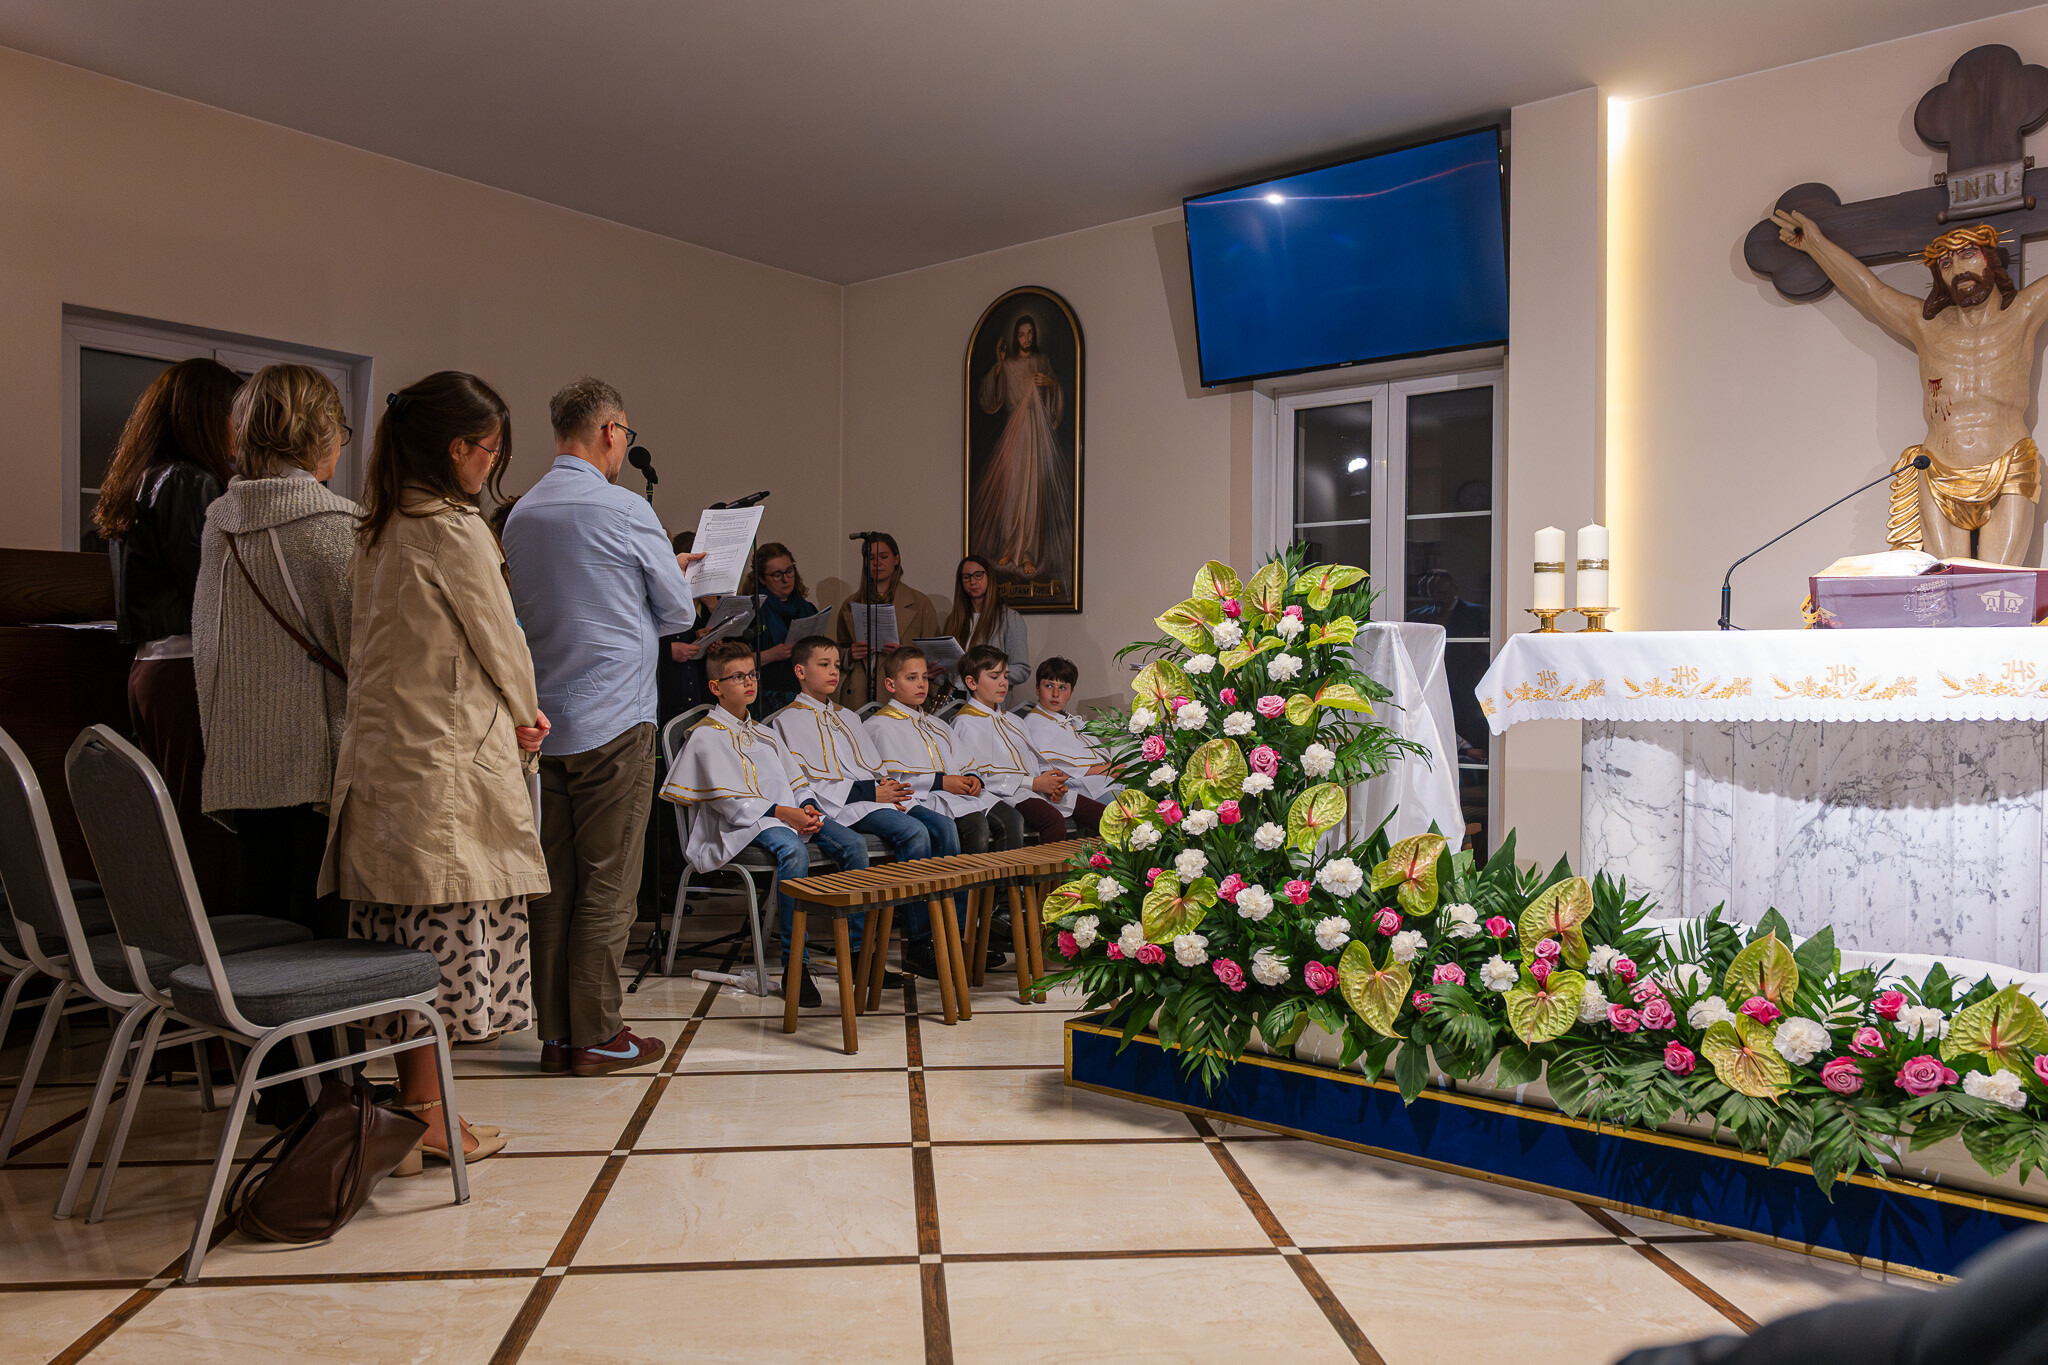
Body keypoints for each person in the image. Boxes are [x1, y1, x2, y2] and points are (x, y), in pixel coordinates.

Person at [318, 371, 547, 1165]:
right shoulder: (453, 530)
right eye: (490, 450)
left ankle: (424, 1109)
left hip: (384, 765)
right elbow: (501, 637)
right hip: (445, 766)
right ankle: (428, 1117)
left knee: (404, 950)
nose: (492, 465)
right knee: (444, 952)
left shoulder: (376, 528)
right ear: (457, 449)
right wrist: (528, 714)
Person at [500, 377, 703, 1077]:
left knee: (554, 886)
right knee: (609, 885)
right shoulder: (623, 507)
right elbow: (678, 615)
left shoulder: (522, 513)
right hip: (615, 718)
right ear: (612, 431)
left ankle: (557, 1034)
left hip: (545, 720)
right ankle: (599, 1034)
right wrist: (672, 574)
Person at [193, 364, 359, 941]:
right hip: (321, 760)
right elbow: (365, 656)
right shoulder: (339, 525)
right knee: (324, 937)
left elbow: (208, 645)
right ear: (316, 430)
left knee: (259, 925)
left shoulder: (220, 524)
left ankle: (252, 1007)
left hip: (244, 756)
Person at [93, 357, 244, 912]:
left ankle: (174, 942)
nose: (241, 429)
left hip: (153, 666)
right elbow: (210, 589)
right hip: (186, 669)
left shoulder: (142, 476)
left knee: (172, 820)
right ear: (208, 414)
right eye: (236, 414)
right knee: (201, 824)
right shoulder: (187, 480)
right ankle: (206, 949)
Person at [660, 641, 869, 1007]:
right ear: (715, 687)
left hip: (787, 816)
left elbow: (798, 781)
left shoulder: (765, 733)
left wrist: (807, 806)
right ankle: (795, 965)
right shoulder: (705, 735)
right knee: (793, 852)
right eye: (738, 677)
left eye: (752, 674)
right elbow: (728, 803)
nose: (749, 682)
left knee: (854, 845)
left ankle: (856, 952)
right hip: (740, 827)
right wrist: (784, 813)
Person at [774, 635, 959, 972]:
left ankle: (940, 934)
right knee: (915, 833)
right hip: (839, 807)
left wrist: (885, 786)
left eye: (836, 665)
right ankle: (913, 941)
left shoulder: (848, 716)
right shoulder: (787, 721)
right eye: (824, 665)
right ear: (800, 671)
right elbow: (809, 783)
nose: (834, 672)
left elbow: (871, 766)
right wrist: (871, 792)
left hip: (869, 799)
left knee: (940, 826)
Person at [862, 646, 997, 977]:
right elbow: (891, 778)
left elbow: (965, 763)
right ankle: (924, 940)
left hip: (952, 799)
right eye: (912, 678)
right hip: (911, 802)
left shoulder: (936, 724)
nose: (922, 684)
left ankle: (963, 933)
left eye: (924, 677)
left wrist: (973, 778)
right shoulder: (880, 725)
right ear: (890, 684)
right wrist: (941, 781)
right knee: (944, 829)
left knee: (984, 826)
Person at [971, 312, 1073, 579]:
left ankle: (1028, 553)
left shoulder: (1041, 361)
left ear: (1034, 336)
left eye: (1029, 334)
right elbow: (989, 398)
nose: (1026, 339)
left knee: (1032, 493)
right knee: (1012, 490)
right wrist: (998, 364)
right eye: (1021, 334)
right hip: (1014, 434)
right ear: (1015, 338)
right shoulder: (1007, 365)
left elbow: (1056, 395)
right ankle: (1009, 546)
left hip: (1035, 434)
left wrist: (1050, 383)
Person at [948, 644, 1071, 853]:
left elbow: (1033, 761)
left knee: (1099, 812)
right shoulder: (965, 723)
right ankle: (1035, 875)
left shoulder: (1014, 720)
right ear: (971, 682)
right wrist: (1035, 783)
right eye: (994, 676)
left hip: (1032, 790)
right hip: (1004, 795)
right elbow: (981, 777)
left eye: (1005, 676)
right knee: (1052, 820)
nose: (1003, 682)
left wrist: (1052, 781)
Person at [833, 533, 938, 708]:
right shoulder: (851, 603)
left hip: (900, 693)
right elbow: (838, 651)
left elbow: (933, 657)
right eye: (871, 557)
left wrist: (905, 655)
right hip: (859, 691)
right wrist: (850, 654)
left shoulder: (919, 603)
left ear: (896, 559)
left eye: (883, 556)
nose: (877, 563)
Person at [1021, 656, 1118, 836]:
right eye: (1048, 686)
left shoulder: (1072, 721)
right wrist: (1107, 770)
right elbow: (1061, 769)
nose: (1055, 694)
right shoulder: (1034, 723)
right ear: (1037, 688)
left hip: (1102, 781)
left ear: (1071, 692)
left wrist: (1112, 769)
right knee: (1125, 810)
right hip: (1075, 788)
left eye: (1062, 688)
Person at [739, 543, 818, 716]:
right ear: (762, 578)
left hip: (805, 692)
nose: (785, 579)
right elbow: (734, 662)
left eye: (789, 571)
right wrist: (772, 654)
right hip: (766, 696)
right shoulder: (750, 611)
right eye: (776, 575)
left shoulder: (808, 608)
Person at [935, 554, 1028, 697]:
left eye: (978, 575)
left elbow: (1022, 669)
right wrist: (934, 674)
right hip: (955, 699)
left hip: (987, 701)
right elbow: (949, 676)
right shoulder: (954, 619)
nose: (972, 581)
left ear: (989, 577)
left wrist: (990, 676)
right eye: (966, 577)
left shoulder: (1010, 619)